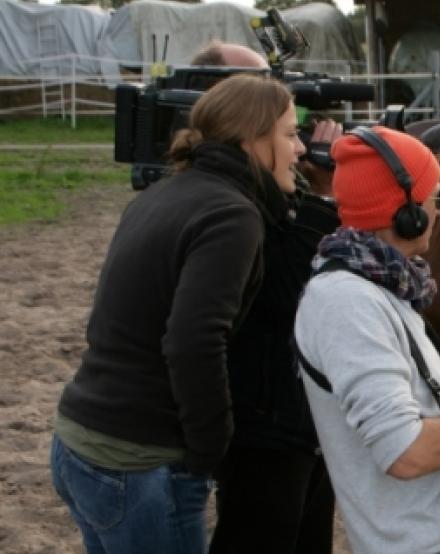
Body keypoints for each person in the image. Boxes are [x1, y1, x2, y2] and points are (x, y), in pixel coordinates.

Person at [50, 73, 304, 554]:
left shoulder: (166, 191)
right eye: (290, 134)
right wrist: (210, 449)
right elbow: (193, 340)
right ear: (253, 138)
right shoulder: (233, 214)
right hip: (139, 462)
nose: (301, 148)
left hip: (78, 440)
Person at [294, 126, 440, 553]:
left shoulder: (383, 284)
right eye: (437, 198)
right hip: (425, 542)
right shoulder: (346, 302)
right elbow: (404, 451)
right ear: (406, 211)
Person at [189, 41, 345, 554]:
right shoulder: (227, 203)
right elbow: (288, 288)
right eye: (287, 127)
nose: (299, 139)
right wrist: (323, 199)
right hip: (265, 418)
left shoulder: (244, 186)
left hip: (293, 414)